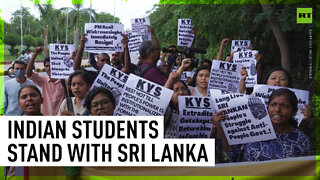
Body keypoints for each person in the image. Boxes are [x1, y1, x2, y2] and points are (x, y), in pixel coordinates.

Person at [213, 88, 310, 162]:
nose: (277, 110)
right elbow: (233, 155)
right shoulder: (253, 128)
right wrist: (220, 128)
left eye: (284, 106)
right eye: (273, 105)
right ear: (267, 108)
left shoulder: (301, 140)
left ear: (294, 112)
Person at [26, 46, 67, 115]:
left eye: (52, 65)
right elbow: (29, 73)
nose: (49, 68)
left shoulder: (65, 81)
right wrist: (35, 54)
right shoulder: (44, 81)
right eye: (47, 66)